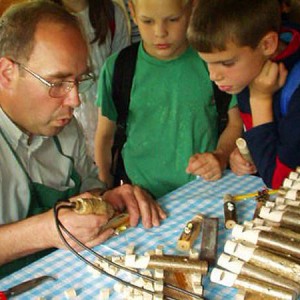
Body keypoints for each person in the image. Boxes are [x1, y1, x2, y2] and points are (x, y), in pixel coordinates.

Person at [0, 0, 166, 278]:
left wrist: (109, 199)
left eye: (79, 80)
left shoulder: (64, 128)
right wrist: (46, 230)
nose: (75, 100)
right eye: (57, 83)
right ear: (7, 74)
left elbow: (87, 191)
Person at [95, 0, 242, 198]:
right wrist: (104, 190)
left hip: (205, 190)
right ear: (132, 11)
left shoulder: (212, 61)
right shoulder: (119, 68)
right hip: (139, 196)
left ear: (192, 8)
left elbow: (235, 122)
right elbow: (105, 136)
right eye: (148, 21)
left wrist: (220, 155)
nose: (160, 32)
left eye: (173, 19)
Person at [188, 0, 300, 189]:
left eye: (226, 63)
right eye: (208, 62)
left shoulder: (294, 89)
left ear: (267, 44)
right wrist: (250, 151)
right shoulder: (252, 63)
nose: (213, 76)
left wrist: (259, 100)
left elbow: (281, 182)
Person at [50, 0, 130, 159]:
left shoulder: (111, 13)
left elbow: (122, 76)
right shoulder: (42, 19)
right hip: (64, 140)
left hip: (109, 133)